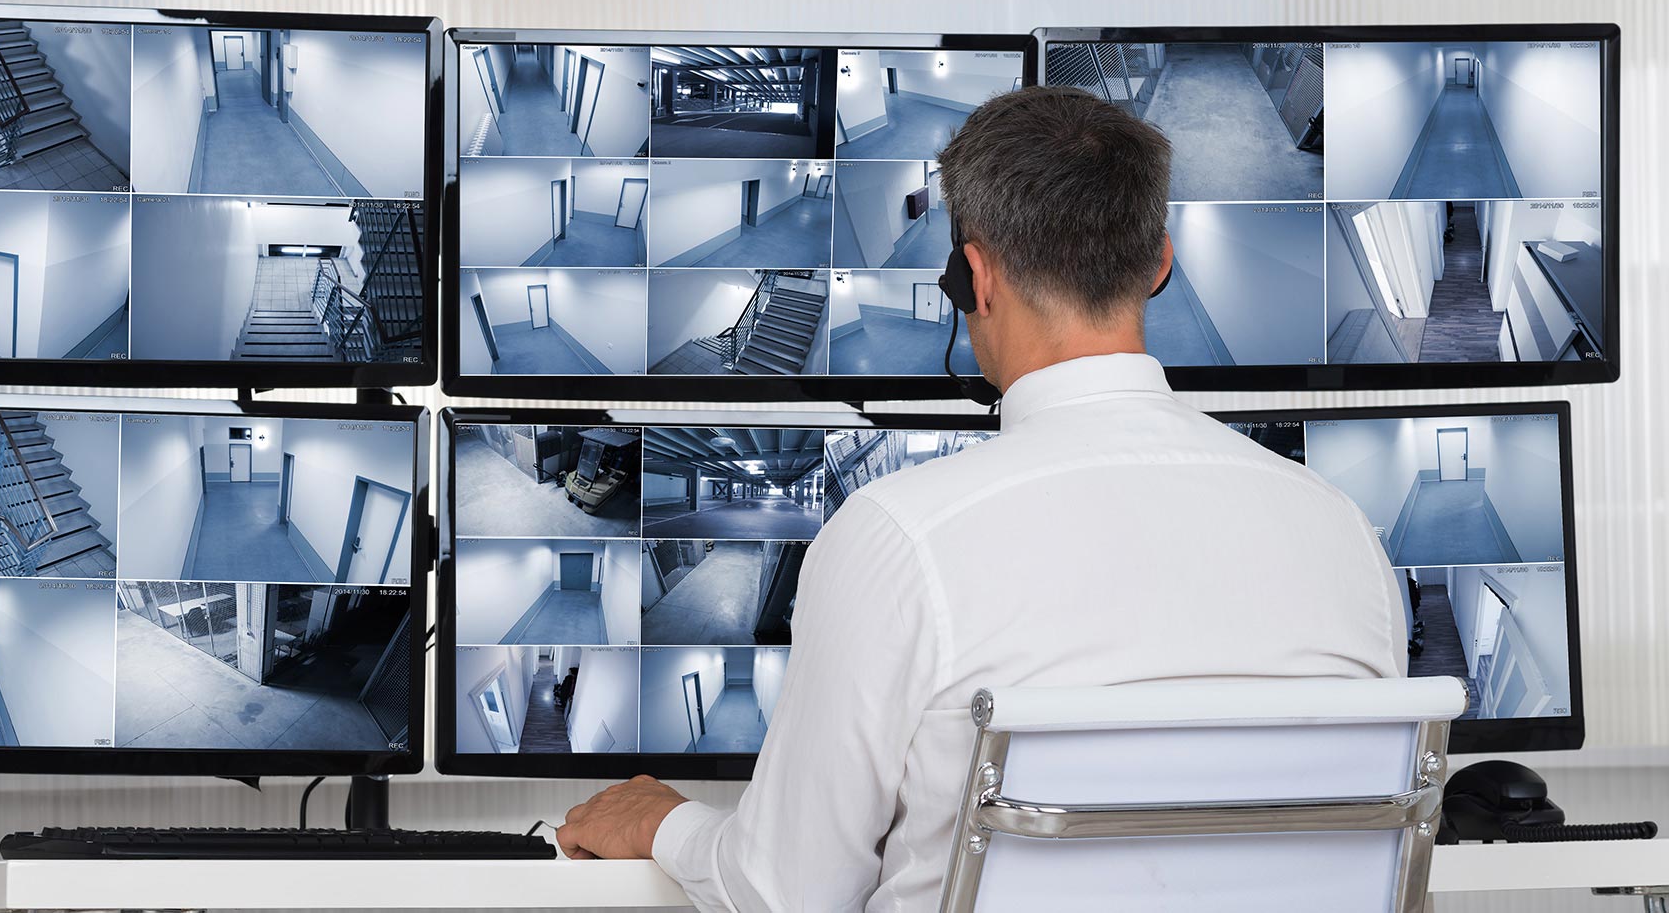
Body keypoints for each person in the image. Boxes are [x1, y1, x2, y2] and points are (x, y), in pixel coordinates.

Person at [556, 87, 1406, 911]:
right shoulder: (1343, 532)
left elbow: (786, 895)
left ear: (974, 277)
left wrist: (664, 821)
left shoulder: (895, 537)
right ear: (1159, 263)